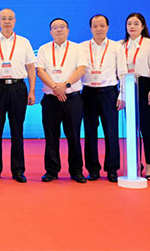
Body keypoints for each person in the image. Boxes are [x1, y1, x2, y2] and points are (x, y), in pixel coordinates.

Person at [0, 8, 36, 183]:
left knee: (17, 130)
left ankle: (18, 170)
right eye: (3, 18)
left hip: (18, 88)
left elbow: (31, 68)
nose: (7, 21)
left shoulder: (24, 42)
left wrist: (32, 91)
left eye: (10, 18)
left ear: (15, 21)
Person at [35, 18, 87, 183]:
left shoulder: (77, 48)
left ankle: (76, 171)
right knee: (51, 136)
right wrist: (55, 88)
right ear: (51, 32)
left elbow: (81, 69)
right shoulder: (43, 49)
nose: (59, 30)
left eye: (62, 27)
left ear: (68, 30)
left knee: (74, 136)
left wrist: (65, 85)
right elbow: (40, 71)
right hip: (51, 99)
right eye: (55, 27)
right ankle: (51, 171)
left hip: (72, 99)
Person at [80, 15, 127, 182]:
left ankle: (112, 169)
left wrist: (122, 95)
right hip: (88, 93)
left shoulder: (116, 47)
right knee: (90, 133)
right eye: (95, 26)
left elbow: (122, 72)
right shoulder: (81, 47)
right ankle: (93, 169)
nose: (98, 29)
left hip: (109, 93)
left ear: (107, 27)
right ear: (90, 28)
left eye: (102, 26)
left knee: (111, 132)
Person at [121, 12, 150, 180]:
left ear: (143, 26)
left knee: (147, 127)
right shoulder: (120, 45)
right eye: (129, 23)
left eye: (136, 23)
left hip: (145, 86)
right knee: (131, 127)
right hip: (127, 85)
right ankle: (135, 163)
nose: (132, 26)